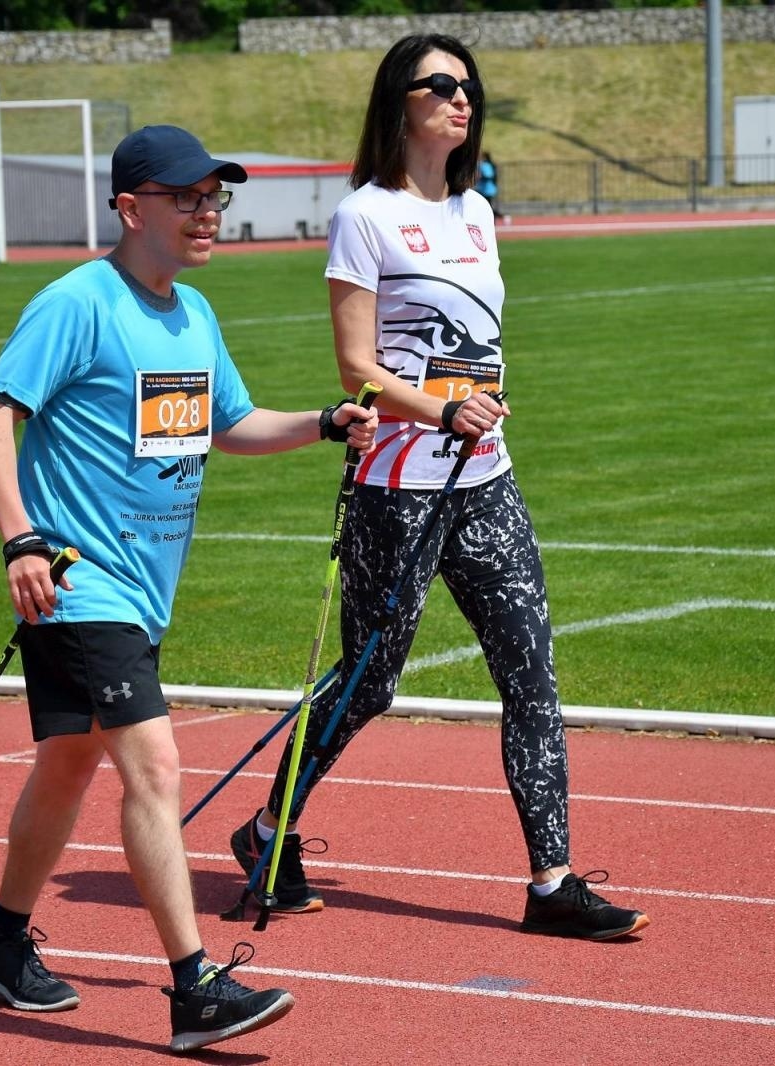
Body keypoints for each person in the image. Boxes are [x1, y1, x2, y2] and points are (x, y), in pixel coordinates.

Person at [0, 123, 378, 1053]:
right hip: (78, 584)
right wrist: (20, 539)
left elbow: (231, 423)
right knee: (153, 768)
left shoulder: (193, 314)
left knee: (68, 766)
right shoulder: (78, 302)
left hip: (142, 594)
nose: (207, 212)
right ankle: (196, 988)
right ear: (129, 207)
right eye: (187, 197)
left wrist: (322, 421)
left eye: (214, 197)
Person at [229, 35, 649, 943]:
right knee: (369, 683)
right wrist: (439, 410)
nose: (462, 99)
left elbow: (475, 340)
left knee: (530, 671)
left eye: (469, 87)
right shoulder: (364, 215)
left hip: (485, 479)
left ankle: (552, 881)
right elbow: (357, 366)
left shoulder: (476, 211)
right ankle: (266, 831)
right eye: (441, 85)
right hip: (398, 486)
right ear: (401, 101)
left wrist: (481, 401)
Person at [475, 150, 505, 221]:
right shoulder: (485, 164)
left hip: (487, 189)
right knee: (486, 206)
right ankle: (495, 217)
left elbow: (489, 175)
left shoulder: (485, 165)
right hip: (485, 189)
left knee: (487, 206)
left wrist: (480, 177)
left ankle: (497, 217)